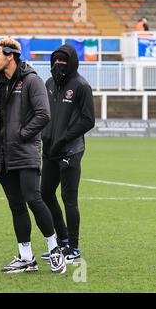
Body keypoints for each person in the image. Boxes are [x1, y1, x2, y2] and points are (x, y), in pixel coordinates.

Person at [0, 37, 66, 274]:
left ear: (11, 55)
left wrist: (22, 134)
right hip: (2, 154)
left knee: (33, 199)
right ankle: (26, 257)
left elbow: (43, 114)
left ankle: (54, 249)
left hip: (25, 152)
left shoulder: (32, 81)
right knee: (16, 206)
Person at [40, 44, 95, 264]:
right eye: (55, 62)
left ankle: (74, 247)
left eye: (63, 62)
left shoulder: (81, 86)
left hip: (70, 150)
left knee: (69, 199)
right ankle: (61, 241)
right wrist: (45, 135)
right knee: (45, 194)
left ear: (71, 63)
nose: (58, 66)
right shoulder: (49, 83)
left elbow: (88, 120)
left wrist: (64, 137)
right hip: (49, 149)